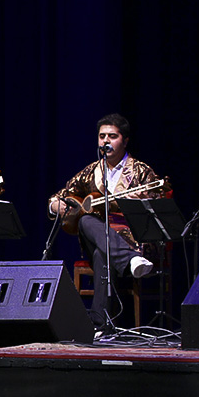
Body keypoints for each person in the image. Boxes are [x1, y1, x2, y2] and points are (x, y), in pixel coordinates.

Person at [49, 113, 160, 330]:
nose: (105, 141)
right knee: (85, 221)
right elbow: (60, 195)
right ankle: (129, 260)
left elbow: (157, 203)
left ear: (125, 141)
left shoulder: (140, 171)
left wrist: (138, 202)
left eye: (112, 136)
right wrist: (55, 205)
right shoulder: (92, 171)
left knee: (102, 254)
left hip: (133, 239)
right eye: (102, 136)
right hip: (107, 241)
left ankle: (101, 326)